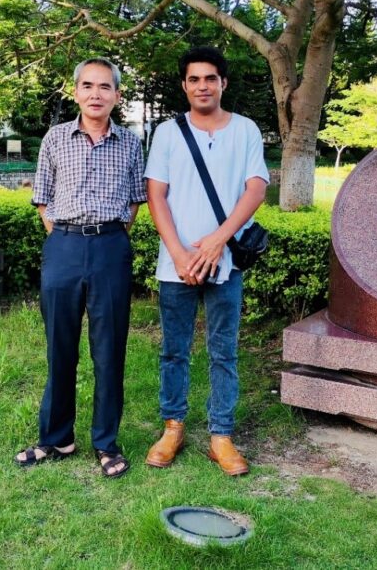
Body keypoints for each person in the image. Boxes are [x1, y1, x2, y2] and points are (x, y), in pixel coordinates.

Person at [14, 58, 146, 478]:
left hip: (110, 247)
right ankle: (56, 438)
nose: (96, 94)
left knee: (109, 350)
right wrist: (65, 236)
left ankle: (106, 443)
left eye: (105, 87)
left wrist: (108, 235)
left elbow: (135, 201)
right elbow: (42, 198)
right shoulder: (55, 138)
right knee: (60, 346)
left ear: (117, 96)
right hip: (63, 248)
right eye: (87, 86)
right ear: (75, 92)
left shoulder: (130, 142)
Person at [143, 46, 269, 476]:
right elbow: (155, 193)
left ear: (223, 83)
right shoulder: (167, 132)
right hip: (175, 264)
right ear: (184, 85)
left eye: (210, 78)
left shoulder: (246, 130)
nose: (202, 86)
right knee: (174, 351)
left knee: (223, 351)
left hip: (226, 261)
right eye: (194, 79)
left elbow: (255, 188)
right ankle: (173, 427)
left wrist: (217, 242)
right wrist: (179, 252)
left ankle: (221, 436)